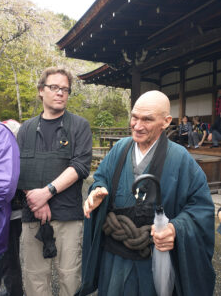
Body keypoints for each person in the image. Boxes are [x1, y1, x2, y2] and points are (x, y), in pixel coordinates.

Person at [77, 90, 215, 296]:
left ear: (166, 121)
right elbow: (102, 177)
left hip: (152, 261)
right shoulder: (120, 149)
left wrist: (176, 228)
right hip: (113, 258)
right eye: (134, 117)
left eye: (147, 119)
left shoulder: (180, 159)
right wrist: (97, 190)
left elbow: (201, 208)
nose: (137, 125)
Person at [17, 67, 92, 296]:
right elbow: (19, 170)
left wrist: (47, 192)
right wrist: (36, 201)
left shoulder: (79, 126)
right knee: (34, 278)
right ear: (41, 91)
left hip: (68, 216)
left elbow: (80, 166)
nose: (60, 93)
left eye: (65, 89)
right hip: (32, 215)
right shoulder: (26, 129)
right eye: (54, 87)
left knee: (70, 277)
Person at [0, 118, 20, 296]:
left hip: (11, 214)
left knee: (11, 260)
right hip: (11, 212)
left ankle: (14, 291)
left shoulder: (2, 136)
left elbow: (5, 186)